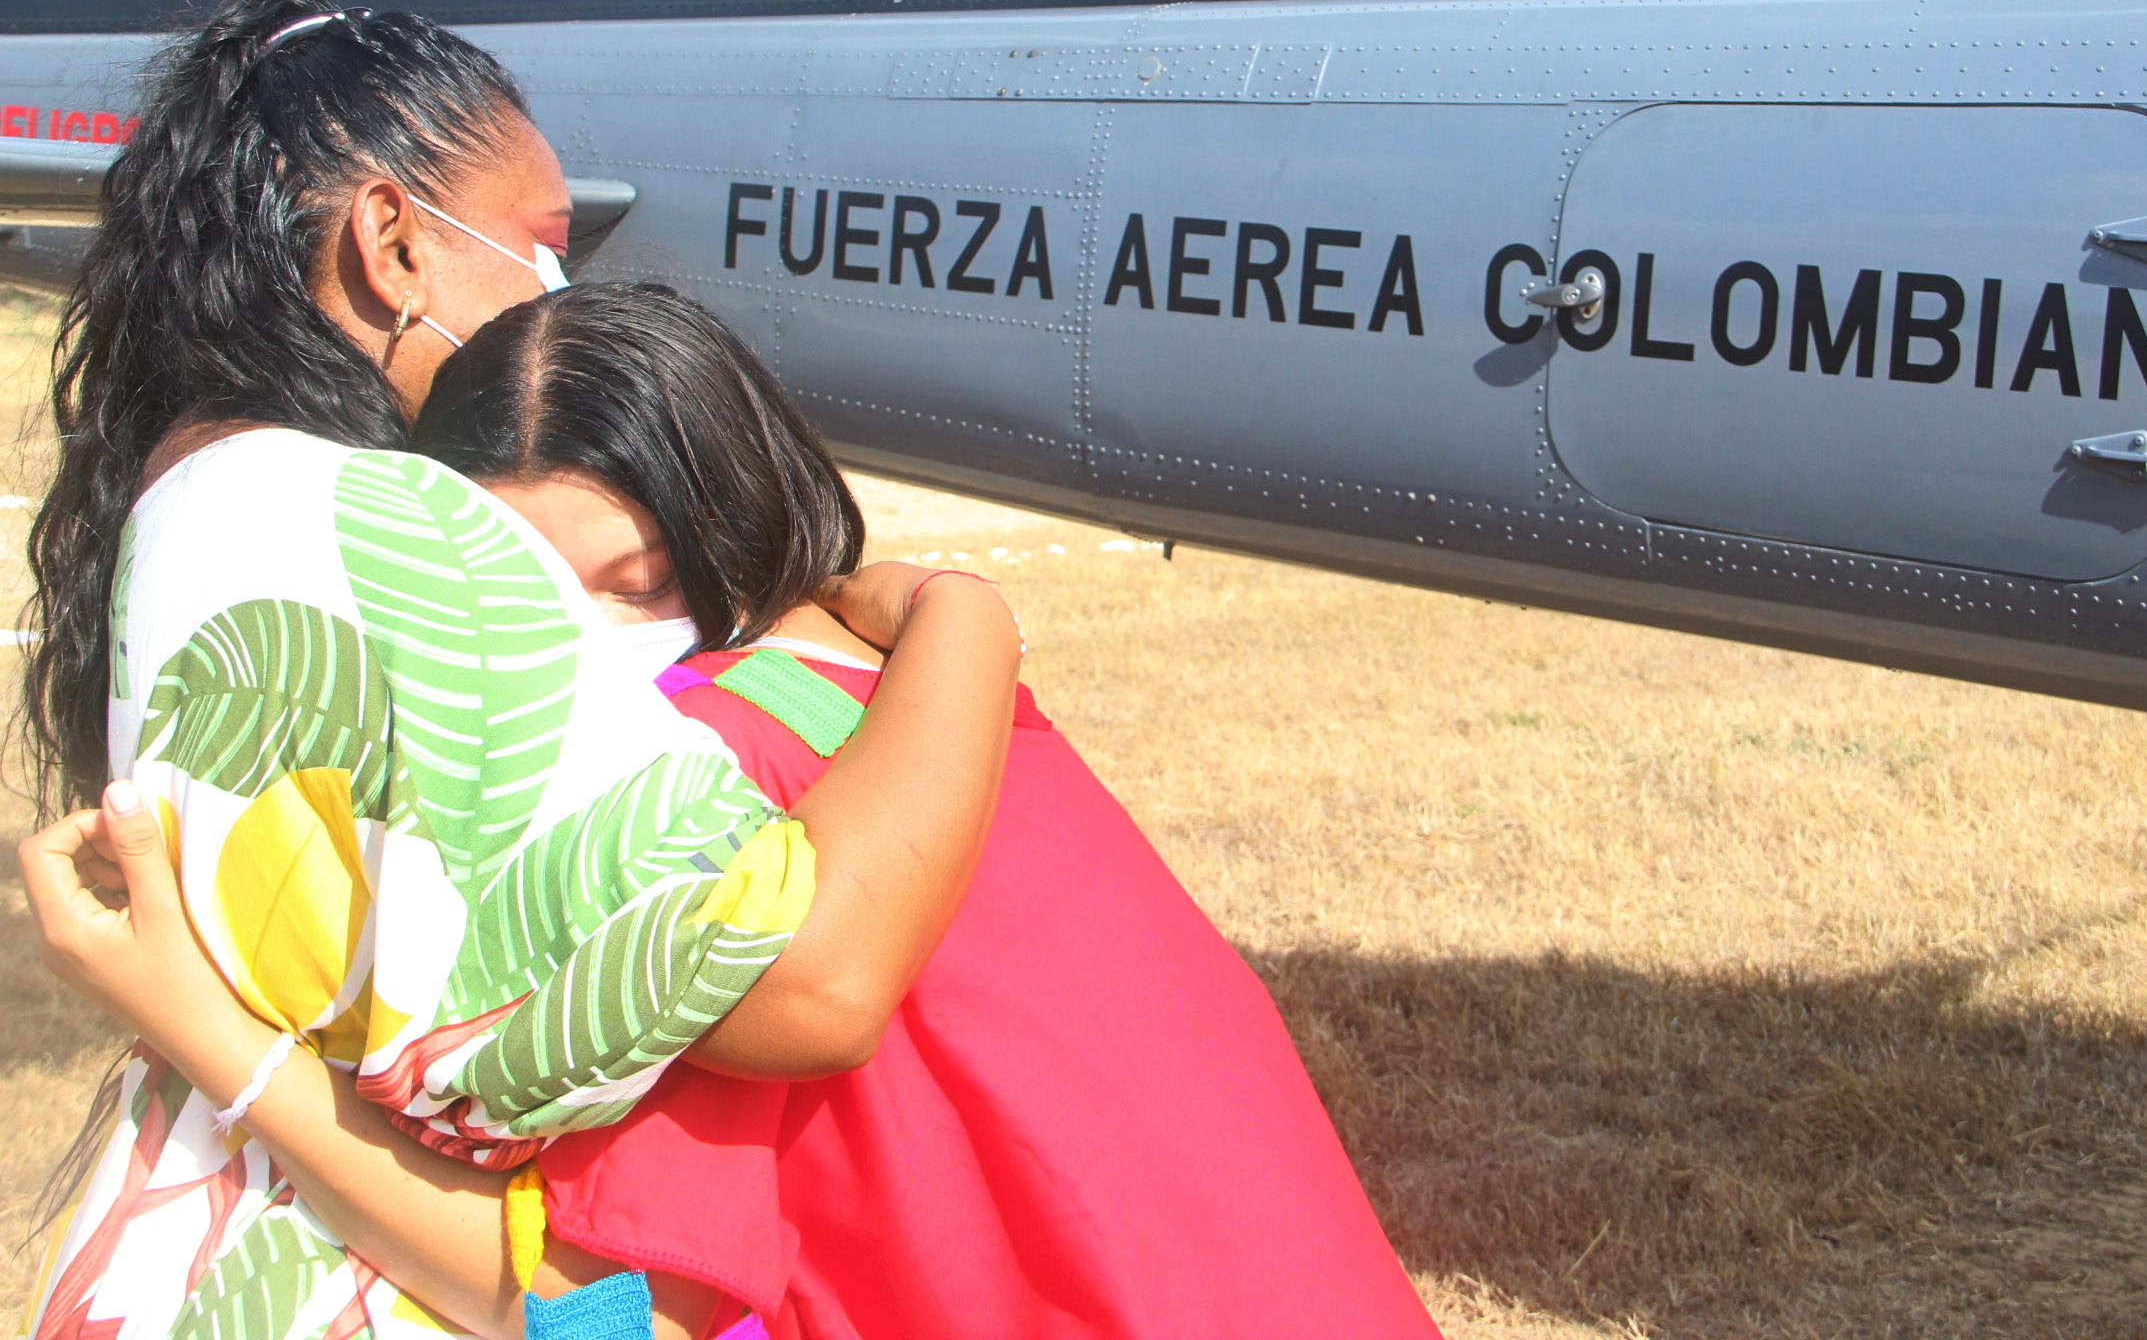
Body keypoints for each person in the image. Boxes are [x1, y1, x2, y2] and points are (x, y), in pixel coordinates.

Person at [31, 279, 1445, 1340]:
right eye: (528, 596)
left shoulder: (685, 786)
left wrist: (207, 1034)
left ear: (730, 524)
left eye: (635, 585)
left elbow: (599, 1316)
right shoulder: (898, 684)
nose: (579, 643)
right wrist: (966, 606)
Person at [13, 0, 1021, 1340]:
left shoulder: (195, 496)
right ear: (392, 244)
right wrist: (968, 621)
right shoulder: (389, 534)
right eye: (546, 246)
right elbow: (805, 979)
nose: (559, 293)